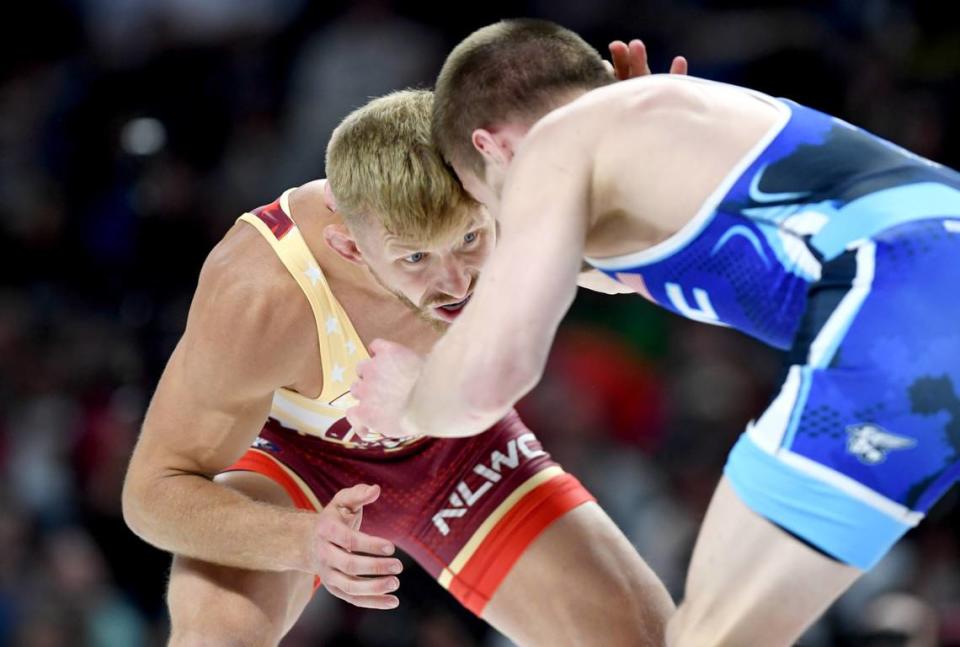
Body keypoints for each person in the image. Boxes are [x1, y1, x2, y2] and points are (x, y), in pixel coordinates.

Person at [347, 18, 960, 647]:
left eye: (488, 203)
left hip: (904, 304)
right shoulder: (680, 120)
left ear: (494, 147)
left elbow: (491, 378)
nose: (506, 225)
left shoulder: (554, 144)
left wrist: (413, 400)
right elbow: (615, 268)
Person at [122, 42, 681, 646]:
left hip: (457, 448)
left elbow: (649, 273)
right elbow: (152, 494)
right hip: (295, 465)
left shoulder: (507, 186)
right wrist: (305, 540)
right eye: (415, 257)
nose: (455, 281)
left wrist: (646, 178)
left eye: (469, 238)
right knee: (216, 640)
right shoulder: (262, 293)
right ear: (350, 247)